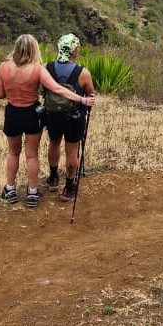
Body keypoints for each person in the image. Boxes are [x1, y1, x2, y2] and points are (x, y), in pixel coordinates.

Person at [0, 34, 93, 207]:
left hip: (12, 112)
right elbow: (57, 89)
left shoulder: (3, 67)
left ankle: (10, 190)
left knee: (12, 152)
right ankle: (33, 193)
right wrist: (82, 100)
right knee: (31, 155)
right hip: (32, 112)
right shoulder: (38, 69)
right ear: (34, 49)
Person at [44, 33, 97, 200]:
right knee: (72, 150)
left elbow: (42, 91)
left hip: (52, 114)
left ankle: (53, 178)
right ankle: (69, 186)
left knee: (54, 142)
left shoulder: (47, 68)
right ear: (74, 50)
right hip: (74, 117)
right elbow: (90, 94)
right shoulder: (83, 73)